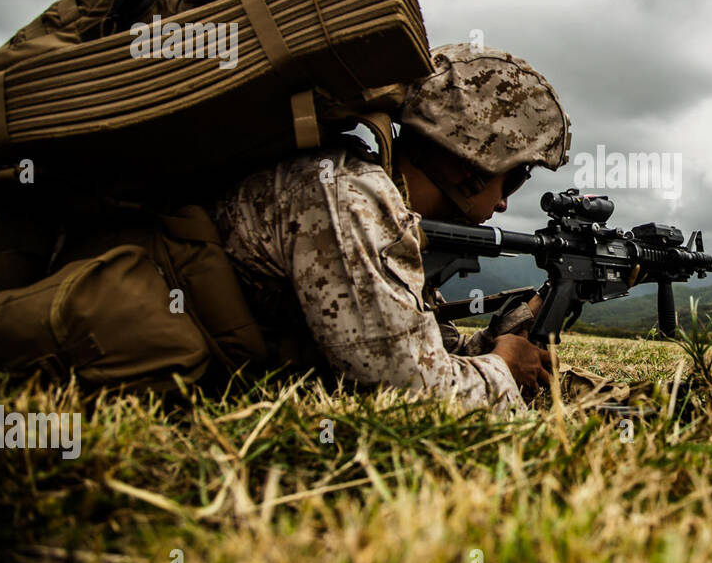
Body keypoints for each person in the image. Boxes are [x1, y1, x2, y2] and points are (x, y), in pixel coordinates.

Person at [210, 43, 571, 413]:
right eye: (513, 180)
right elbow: (406, 394)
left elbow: (429, 351)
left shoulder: (383, 204)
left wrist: (521, 322)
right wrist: (504, 371)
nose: (504, 203)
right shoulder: (351, 198)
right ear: (473, 166)